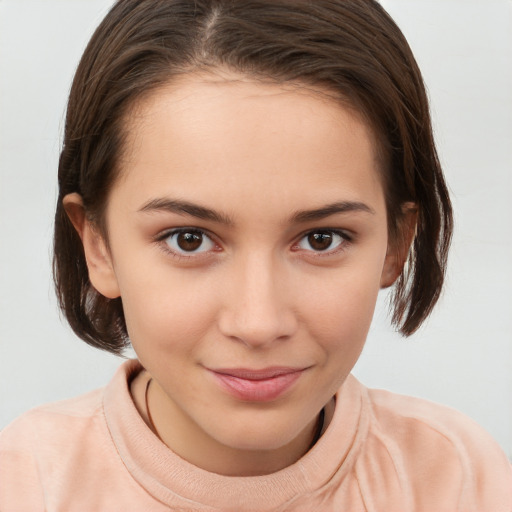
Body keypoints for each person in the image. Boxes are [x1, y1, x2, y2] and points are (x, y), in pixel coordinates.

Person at [0, 0, 510, 510]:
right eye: (189, 239)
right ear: (98, 245)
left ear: (396, 243)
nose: (258, 324)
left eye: (321, 239)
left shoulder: (455, 478)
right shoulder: (24, 486)